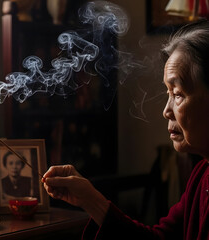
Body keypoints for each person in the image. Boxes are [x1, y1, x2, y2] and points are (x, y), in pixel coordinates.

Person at [42, 20, 209, 240]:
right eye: (168, 93)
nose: (166, 111)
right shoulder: (202, 175)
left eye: (177, 94)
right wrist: (90, 199)